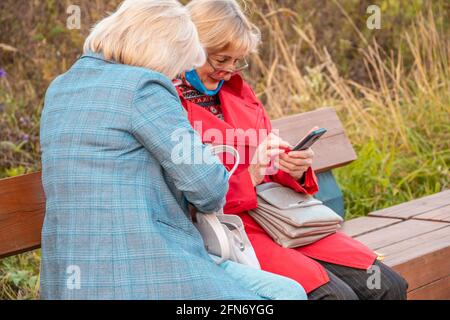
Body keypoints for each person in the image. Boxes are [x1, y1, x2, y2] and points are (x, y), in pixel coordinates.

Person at [39, 0, 307, 300]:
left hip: (68, 278)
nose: (176, 77)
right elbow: (209, 189)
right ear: (162, 50)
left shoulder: (61, 87)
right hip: (144, 269)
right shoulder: (145, 88)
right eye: (177, 65)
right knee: (284, 297)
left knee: (288, 291)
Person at [175, 0, 409, 300]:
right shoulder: (170, 104)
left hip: (281, 220)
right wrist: (251, 176)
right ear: (191, 47)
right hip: (230, 231)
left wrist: (291, 168)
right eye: (221, 60)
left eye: (237, 61)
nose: (229, 71)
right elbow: (187, 196)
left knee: (388, 285)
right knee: (334, 297)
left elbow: (266, 163)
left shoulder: (237, 92)